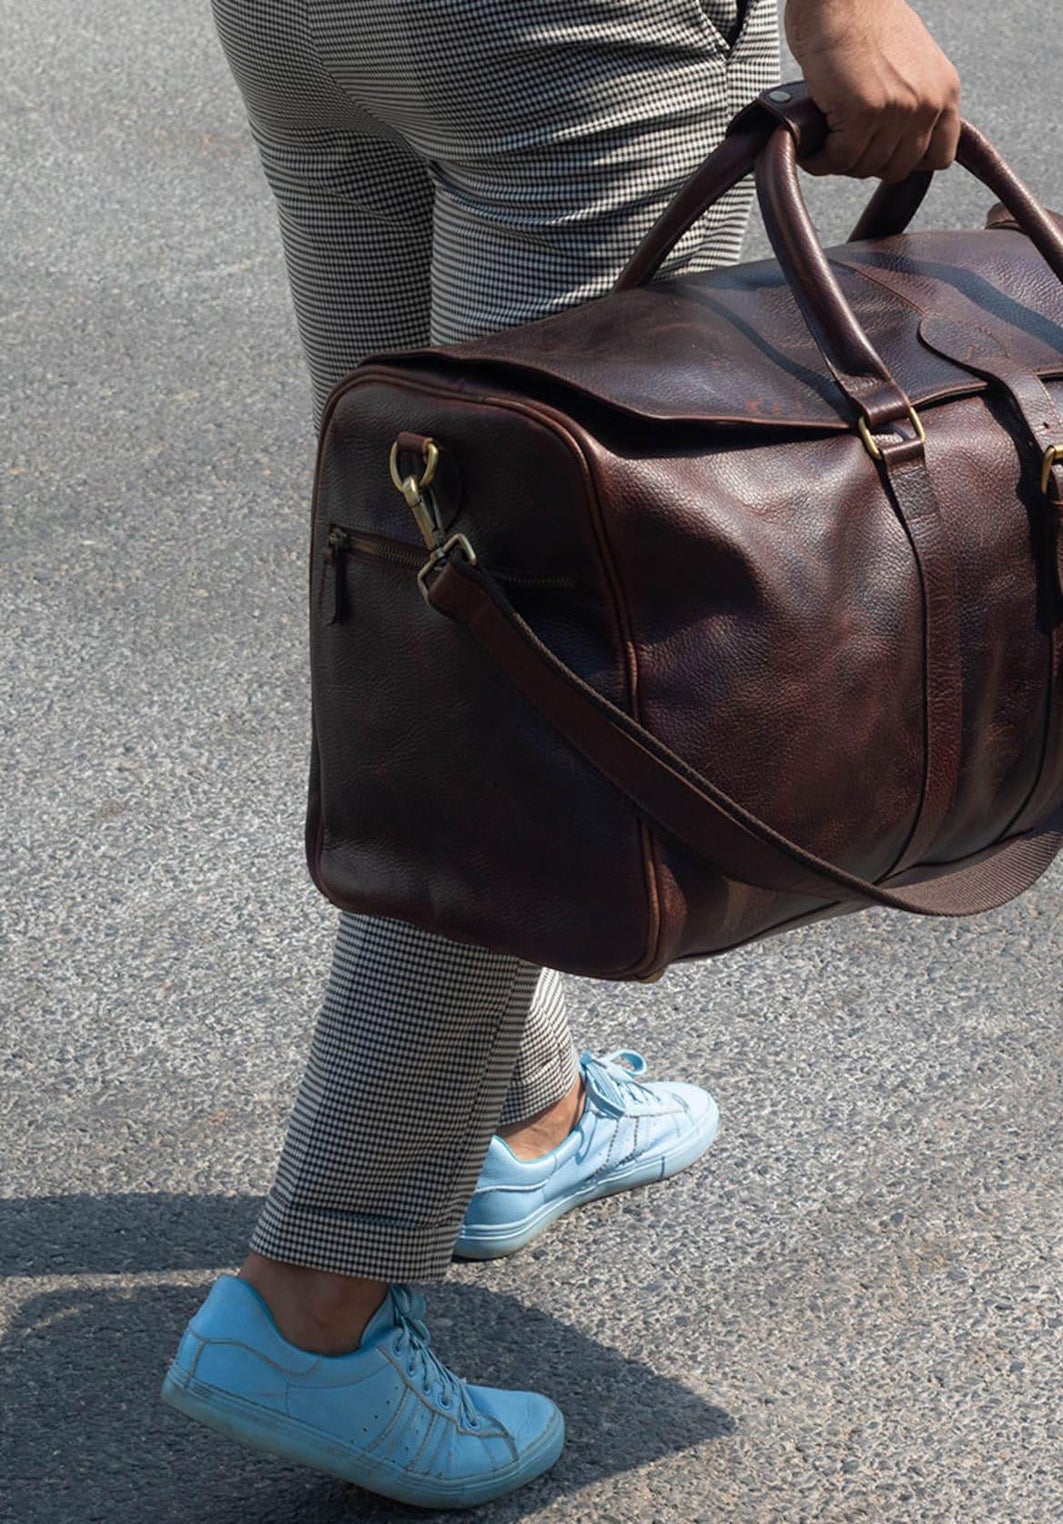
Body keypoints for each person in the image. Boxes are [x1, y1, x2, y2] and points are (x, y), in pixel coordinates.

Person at [161, 0, 962, 1508]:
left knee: (433, 574)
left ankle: (514, 1116)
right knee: (542, 662)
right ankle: (314, 1300)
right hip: (562, 30)